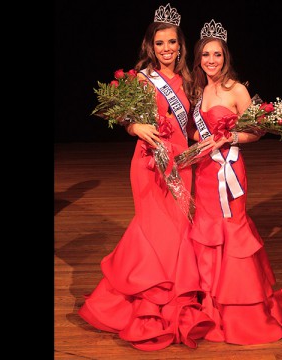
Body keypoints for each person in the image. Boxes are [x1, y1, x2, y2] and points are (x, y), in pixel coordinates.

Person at [78, 4, 215, 351]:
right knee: (154, 228)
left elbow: (196, 121)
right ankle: (148, 299)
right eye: (160, 44)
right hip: (149, 160)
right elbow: (123, 117)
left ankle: (176, 296)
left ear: (181, 45)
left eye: (172, 43)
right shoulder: (141, 78)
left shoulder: (190, 79)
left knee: (181, 229)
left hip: (182, 161)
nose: (166, 49)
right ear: (150, 46)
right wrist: (135, 125)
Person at [187, 19, 282, 345]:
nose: (211, 60)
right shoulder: (199, 90)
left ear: (226, 57)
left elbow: (258, 130)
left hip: (229, 171)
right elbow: (197, 130)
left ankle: (240, 308)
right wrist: (198, 140)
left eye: (217, 54)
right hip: (204, 172)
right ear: (198, 59)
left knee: (233, 229)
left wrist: (228, 138)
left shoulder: (236, 89)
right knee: (208, 233)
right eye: (206, 54)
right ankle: (210, 304)